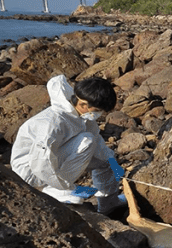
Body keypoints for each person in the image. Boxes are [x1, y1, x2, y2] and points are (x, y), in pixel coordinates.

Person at [11, 74, 127, 215]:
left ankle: (108, 202)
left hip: (57, 158)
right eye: (97, 111)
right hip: (32, 171)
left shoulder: (83, 116)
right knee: (87, 141)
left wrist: (113, 164)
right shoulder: (53, 122)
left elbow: (98, 143)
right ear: (83, 104)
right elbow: (41, 162)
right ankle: (54, 190)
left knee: (104, 158)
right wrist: (65, 187)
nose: (99, 115)